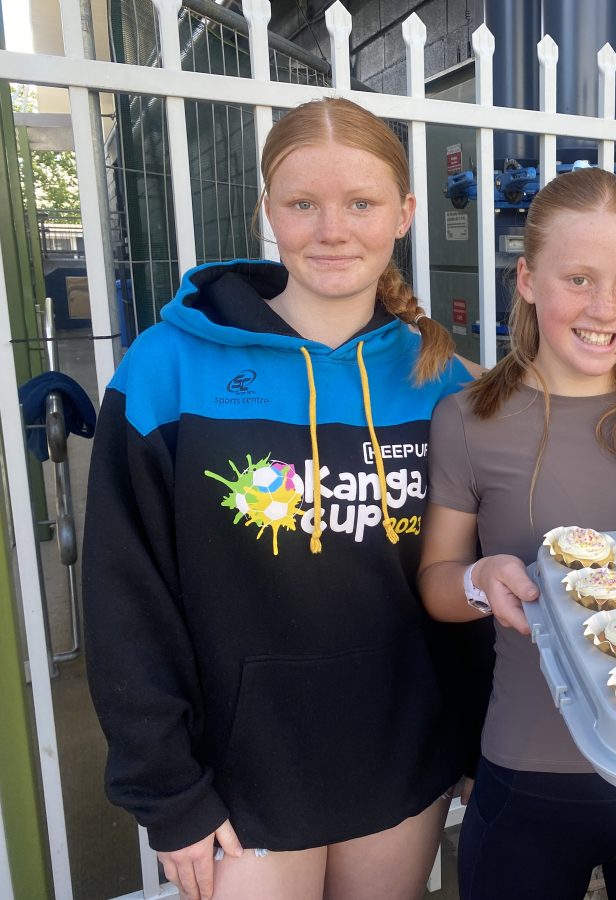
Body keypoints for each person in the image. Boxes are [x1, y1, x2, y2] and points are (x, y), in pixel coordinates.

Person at [83, 98, 479, 900]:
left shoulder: (446, 382)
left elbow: (464, 578)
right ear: (267, 212)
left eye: (361, 203)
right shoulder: (168, 370)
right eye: (303, 204)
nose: (333, 230)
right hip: (241, 779)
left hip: (401, 757)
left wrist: (473, 742)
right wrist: (168, 788)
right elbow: (126, 596)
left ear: (404, 213)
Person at [418, 166, 616, 900]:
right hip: (531, 770)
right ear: (527, 279)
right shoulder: (469, 420)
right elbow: (437, 583)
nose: (606, 307)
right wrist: (478, 580)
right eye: (579, 279)